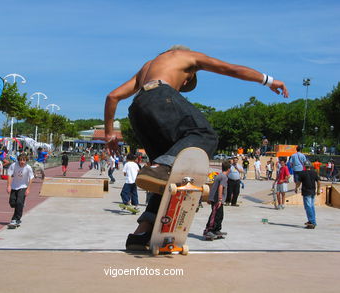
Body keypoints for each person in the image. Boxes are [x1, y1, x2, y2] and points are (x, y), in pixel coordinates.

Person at [104, 45, 288, 249]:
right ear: (189, 76)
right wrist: (270, 81)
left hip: (137, 111)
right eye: (185, 84)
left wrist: (109, 133)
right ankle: (161, 168)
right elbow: (230, 69)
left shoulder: (146, 68)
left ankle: (140, 235)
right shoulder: (186, 56)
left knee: (165, 181)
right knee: (205, 134)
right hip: (159, 97)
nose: (181, 85)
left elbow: (113, 96)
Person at [203, 160, 231, 239]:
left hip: (216, 199)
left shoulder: (219, 175)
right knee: (214, 215)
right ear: (229, 169)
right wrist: (219, 199)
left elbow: (213, 186)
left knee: (220, 215)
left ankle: (216, 230)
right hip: (217, 200)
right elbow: (220, 187)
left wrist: (209, 197)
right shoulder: (224, 177)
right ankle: (208, 231)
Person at [6, 154, 34, 227]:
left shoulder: (28, 168)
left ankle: (16, 219)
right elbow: (9, 175)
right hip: (14, 186)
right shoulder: (13, 165)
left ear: (26, 161)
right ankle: (21, 205)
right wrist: (8, 186)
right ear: (18, 160)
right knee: (12, 203)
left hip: (23, 186)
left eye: (24, 160)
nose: (22, 162)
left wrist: (28, 189)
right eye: (21, 160)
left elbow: (31, 178)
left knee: (18, 202)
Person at [295, 161, 320, 229]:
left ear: (304, 166)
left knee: (308, 207)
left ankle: (312, 222)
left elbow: (299, 183)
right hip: (312, 192)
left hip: (306, 192)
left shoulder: (302, 173)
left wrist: (296, 188)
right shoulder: (314, 173)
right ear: (310, 166)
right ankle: (311, 221)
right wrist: (318, 190)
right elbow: (318, 182)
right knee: (311, 207)